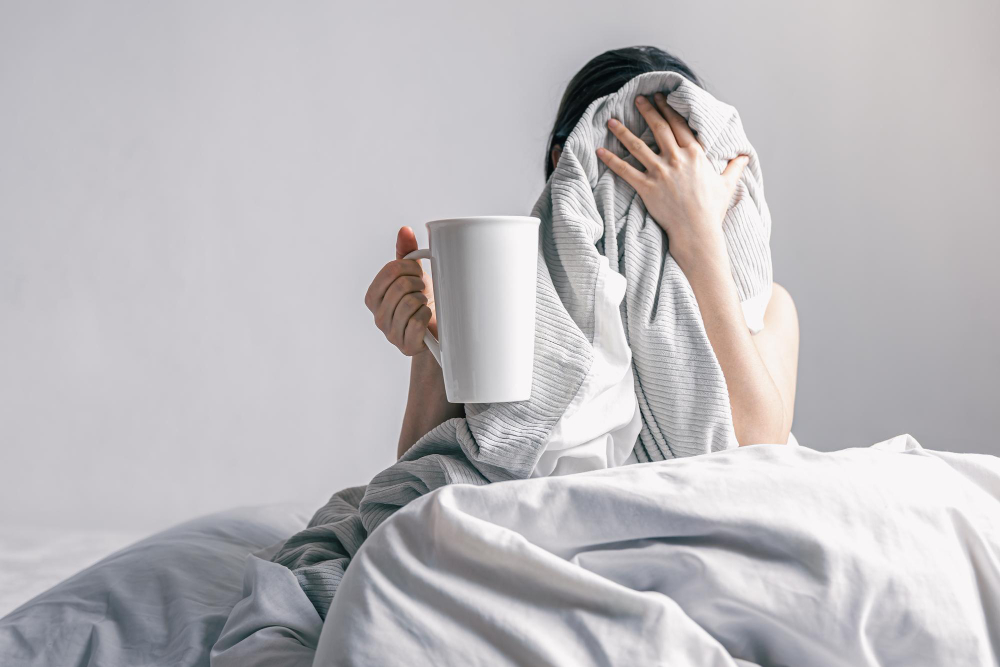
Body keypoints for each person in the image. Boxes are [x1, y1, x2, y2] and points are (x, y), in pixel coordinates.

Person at [364, 46, 799, 460]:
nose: (637, 219)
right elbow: (421, 476)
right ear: (564, 168)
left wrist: (699, 237)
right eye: (623, 172)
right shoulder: (509, 295)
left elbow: (761, 449)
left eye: (670, 172)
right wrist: (435, 344)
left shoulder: (767, 306)